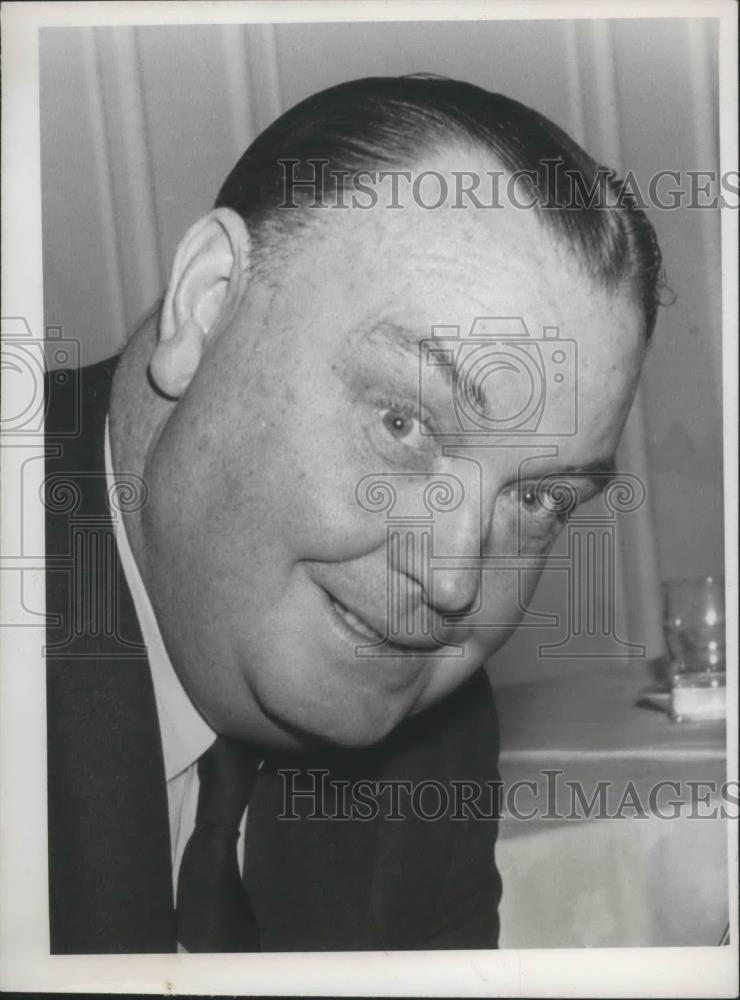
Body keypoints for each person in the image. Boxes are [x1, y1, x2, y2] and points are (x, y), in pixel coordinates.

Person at [44, 75, 663, 954]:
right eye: (405, 421)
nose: (453, 581)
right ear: (207, 303)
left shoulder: (428, 735)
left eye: (537, 499)